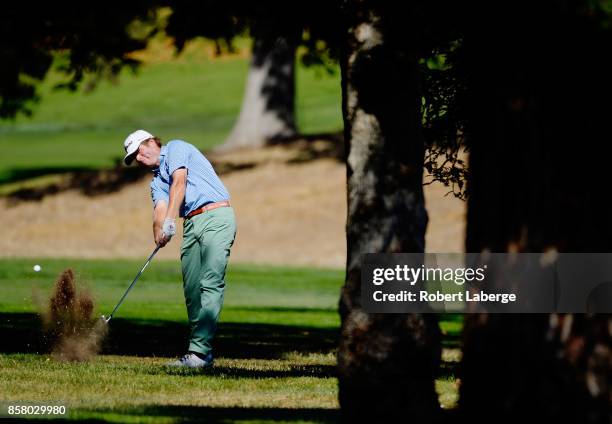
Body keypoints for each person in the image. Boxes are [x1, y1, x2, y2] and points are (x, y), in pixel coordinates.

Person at [123, 129, 236, 368]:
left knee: (210, 282)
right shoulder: (156, 182)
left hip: (216, 215)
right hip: (192, 224)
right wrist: (159, 233)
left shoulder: (176, 148)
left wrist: (170, 221)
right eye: (135, 158)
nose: (140, 159)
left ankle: (198, 352)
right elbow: (159, 211)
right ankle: (201, 356)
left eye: (140, 152)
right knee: (192, 289)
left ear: (152, 141)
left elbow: (180, 183)